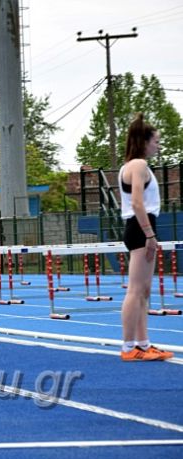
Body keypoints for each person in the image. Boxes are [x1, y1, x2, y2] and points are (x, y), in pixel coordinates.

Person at [118, 113, 173, 361]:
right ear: (144, 141)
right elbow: (138, 202)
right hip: (141, 227)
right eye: (156, 141)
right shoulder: (138, 166)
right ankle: (129, 347)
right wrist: (150, 235)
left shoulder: (132, 166)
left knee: (144, 290)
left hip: (142, 226)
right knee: (136, 289)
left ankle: (143, 343)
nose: (158, 146)